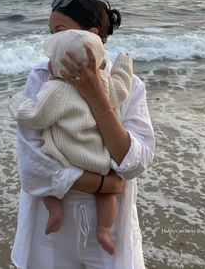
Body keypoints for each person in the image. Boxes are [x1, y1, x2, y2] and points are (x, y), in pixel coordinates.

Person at [11, 0, 155, 269]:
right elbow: (32, 165)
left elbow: (135, 162)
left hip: (110, 224)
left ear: (91, 36)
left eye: (60, 32)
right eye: (50, 33)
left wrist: (97, 97)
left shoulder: (127, 85)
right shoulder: (43, 77)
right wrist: (103, 183)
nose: (51, 41)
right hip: (50, 224)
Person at [9, 28, 133, 255]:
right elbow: (122, 89)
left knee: (48, 186)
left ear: (58, 66)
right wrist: (123, 63)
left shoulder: (56, 89)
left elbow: (37, 116)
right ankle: (103, 229)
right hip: (97, 158)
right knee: (106, 194)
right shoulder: (104, 82)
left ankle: (55, 211)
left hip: (64, 156)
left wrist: (17, 102)